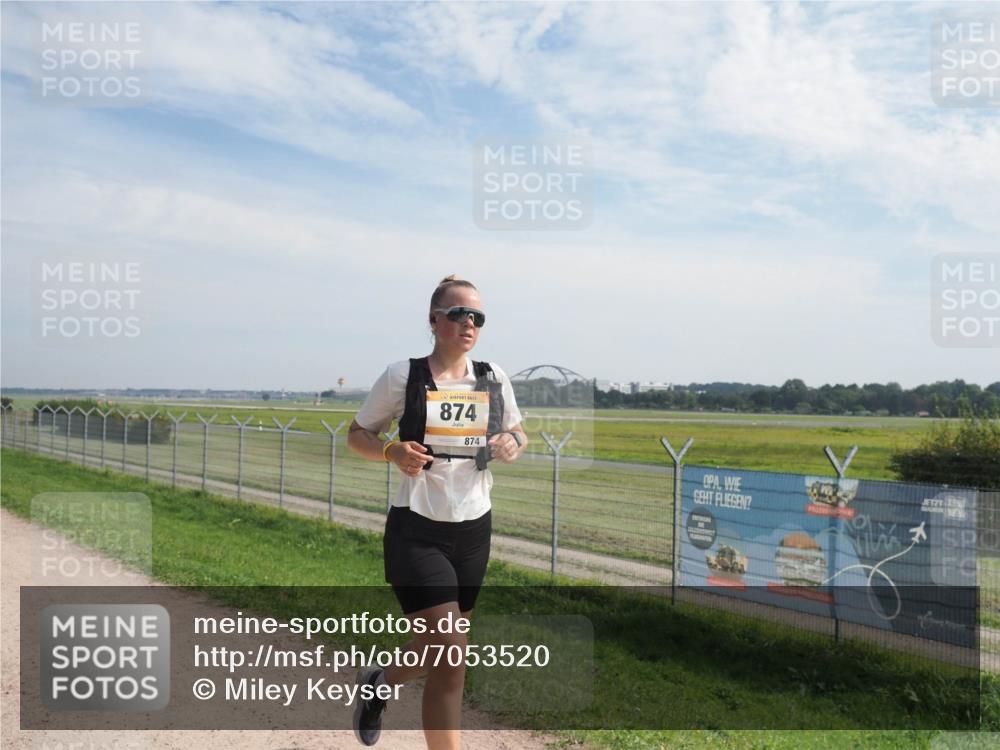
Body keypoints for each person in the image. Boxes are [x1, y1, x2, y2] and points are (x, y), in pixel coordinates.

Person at [346, 275, 527, 749]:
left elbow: (518, 432)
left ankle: (379, 682)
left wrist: (512, 442)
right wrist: (391, 451)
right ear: (433, 319)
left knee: (444, 653)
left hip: (473, 529)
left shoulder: (492, 377)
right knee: (449, 652)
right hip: (417, 529)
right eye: (458, 313)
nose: (469, 324)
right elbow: (357, 435)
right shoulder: (402, 376)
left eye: (478, 317)